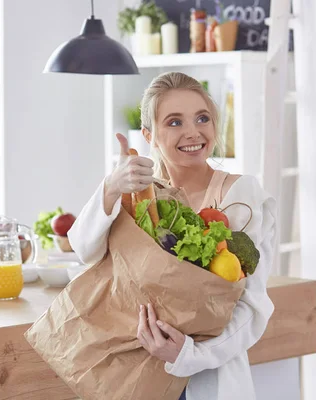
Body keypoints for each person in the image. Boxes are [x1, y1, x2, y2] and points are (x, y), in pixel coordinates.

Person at [67, 72, 277, 400]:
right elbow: (84, 249)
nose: (193, 132)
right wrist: (110, 187)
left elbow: (252, 306)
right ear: (149, 134)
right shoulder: (140, 192)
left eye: (202, 118)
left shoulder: (239, 193)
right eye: (174, 122)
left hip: (207, 380)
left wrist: (188, 354)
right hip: (134, 374)